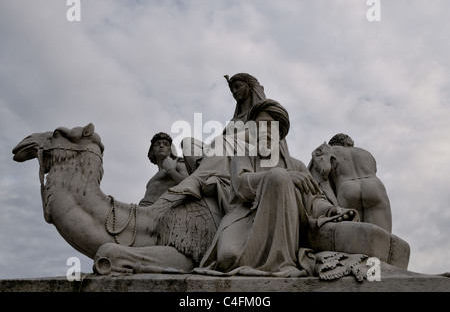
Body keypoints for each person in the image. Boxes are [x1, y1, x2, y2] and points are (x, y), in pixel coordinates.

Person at [196, 99, 356, 277]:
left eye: (269, 126)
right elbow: (242, 185)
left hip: (283, 223)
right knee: (228, 258)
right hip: (246, 217)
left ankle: (280, 261)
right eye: (259, 126)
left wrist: (330, 210)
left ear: (280, 133)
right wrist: (285, 176)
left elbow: (314, 200)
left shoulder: (297, 165)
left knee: (278, 176)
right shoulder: (242, 156)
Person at [169, 73, 290, 215]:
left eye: (238, 87)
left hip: (251, 152)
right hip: (226, 149)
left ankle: (197, 180)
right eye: (232, 89)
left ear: (250, 87)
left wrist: (227, 139)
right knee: (188, 142)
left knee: (221, 142)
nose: (234, 92)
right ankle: (207, 172)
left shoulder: (261, 111)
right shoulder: (235, 120)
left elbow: (257, 134)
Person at [138, 132, 189, 207]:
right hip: (144, 210)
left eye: (166, 144)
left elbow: (189, 185)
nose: (161, 146)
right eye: (157, 144)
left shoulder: (178, 164)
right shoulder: (152, 178)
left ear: (171, 149)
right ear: (152, 150)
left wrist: (171, 170)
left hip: (163, 210)